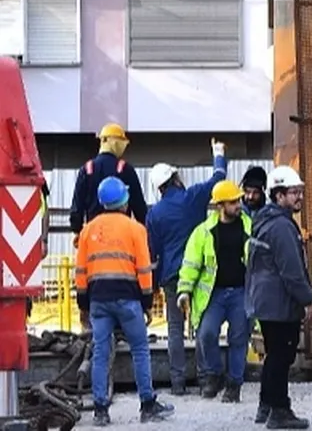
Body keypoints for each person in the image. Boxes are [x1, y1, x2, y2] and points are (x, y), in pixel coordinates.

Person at [75, 177, 174, 426]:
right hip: (128, 300)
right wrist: (147, 300)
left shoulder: (88, 230)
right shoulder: (135, 229)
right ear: (124, 200)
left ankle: (100, 410)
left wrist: (84, 302)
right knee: (140, 350)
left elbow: (80, 271)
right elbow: (143, 268)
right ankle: (147, 405)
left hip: (98, 301)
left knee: (100, 353)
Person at [146, 139, 228, 395]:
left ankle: (177, 383)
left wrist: (156, 283)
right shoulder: (193, 197)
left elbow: (153, 253)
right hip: (201, 274)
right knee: (202, 324)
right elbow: (219, 178)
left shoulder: (155, 213)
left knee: (174, 329)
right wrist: (218, 153)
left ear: (159, 188)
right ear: (176, 178)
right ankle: (205, 380)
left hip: (172, 277)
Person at [246, 165, 312, 429]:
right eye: (293, 192)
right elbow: (292, 271)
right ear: (278, 196)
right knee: (281, 356)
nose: (299, 197)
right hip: (279, 303)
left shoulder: (265, 221)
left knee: (274, 354)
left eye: (299, 191)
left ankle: (266, 406)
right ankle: (279, 411)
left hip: (265, 301)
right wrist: (307, 300)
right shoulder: (282, 228)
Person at [176, 179, 252, 403]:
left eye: (238, 200)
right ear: (220, 205)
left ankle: (234, 385)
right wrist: (184, 291)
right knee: (206, 334)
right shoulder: (203, 233)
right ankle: (215, 374)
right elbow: (190, 264)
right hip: (214, 295)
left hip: (241, 293)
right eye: (233, 202)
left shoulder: (250, 227)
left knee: (239, 339)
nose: (239, 205)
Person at [69, 123, 148, 233]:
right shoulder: (125, 170)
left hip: (94, 236)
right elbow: (140, 210)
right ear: (117, 143)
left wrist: (78, 231)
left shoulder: (87, 170)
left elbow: (76, 210)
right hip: (121, 235)